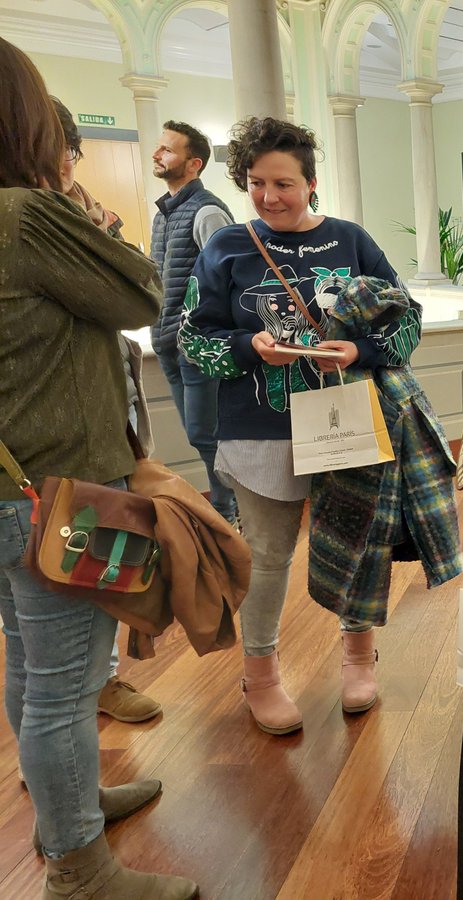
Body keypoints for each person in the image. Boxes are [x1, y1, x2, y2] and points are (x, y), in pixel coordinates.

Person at [0, 37, 197, 898]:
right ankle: (78, 868)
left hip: (14, 487)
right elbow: (142, 292)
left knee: (25, 661)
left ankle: (64, 813)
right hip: (58, 488)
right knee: (65, 684)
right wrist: (68, 199)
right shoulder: (24, 214)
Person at [179, 116, 453, 734]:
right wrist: (251, 346)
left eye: (283, 183)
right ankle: (261, 677)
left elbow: (406, 320)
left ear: (312, 182)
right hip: (259, 429)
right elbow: (194, 341)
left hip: (347, 420)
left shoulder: (350, 240)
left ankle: (359, 658)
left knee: (358, 541)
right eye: (256, 183)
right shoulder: (225, 247)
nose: (269, 197)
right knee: (269, 557)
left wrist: (362, 352)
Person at [52, 95, 164, 726]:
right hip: (66, 444)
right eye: (71, 151)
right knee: (72, 610)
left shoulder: (77, 217)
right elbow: (140, 293)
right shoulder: (47, 223)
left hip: (94, 421)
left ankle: (62, 775)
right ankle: (69, 803)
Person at [150, 120, 237, 524]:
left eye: (168, 149)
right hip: (168, 343)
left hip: (198, 348)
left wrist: (197, 332)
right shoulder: (163, 215)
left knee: (209, 436)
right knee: (199, 436)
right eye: (159, 147)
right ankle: (227, 512)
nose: (157, 153)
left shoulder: (207, 211)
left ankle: (228, 514)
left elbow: (232, 277)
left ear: (194, 163)